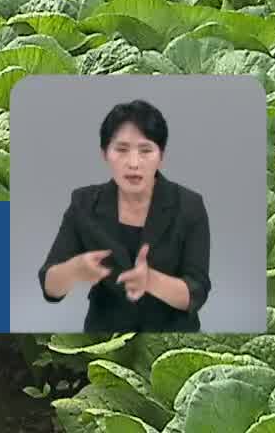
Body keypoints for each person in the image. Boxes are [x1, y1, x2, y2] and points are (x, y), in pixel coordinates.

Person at [39, 100, 211, 332]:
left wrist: (151, 281)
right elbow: (49, 286)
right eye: (121, 150)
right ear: (105, 154)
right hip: (103, 336)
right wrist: (74, 270)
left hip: (172, 337)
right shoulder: (84, 204)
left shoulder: (189, 206)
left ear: (161, 155)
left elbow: (196, 292)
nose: (133, 163)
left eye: (145, 150)